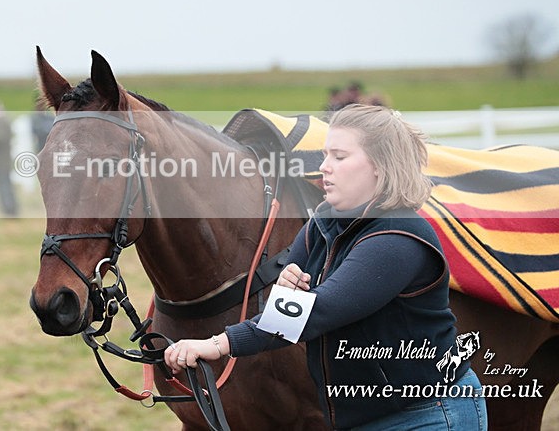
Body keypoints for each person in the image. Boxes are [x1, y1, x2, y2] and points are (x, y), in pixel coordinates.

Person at [165, 104, 487, 430]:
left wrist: (215, 345)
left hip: (428, 415)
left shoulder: (397, 237)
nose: (323, 167)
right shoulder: (323, 222)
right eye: (325, 154)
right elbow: (284, 317)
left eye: (339, 156)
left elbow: (314, 312)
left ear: (380, 165)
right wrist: (285, 294)